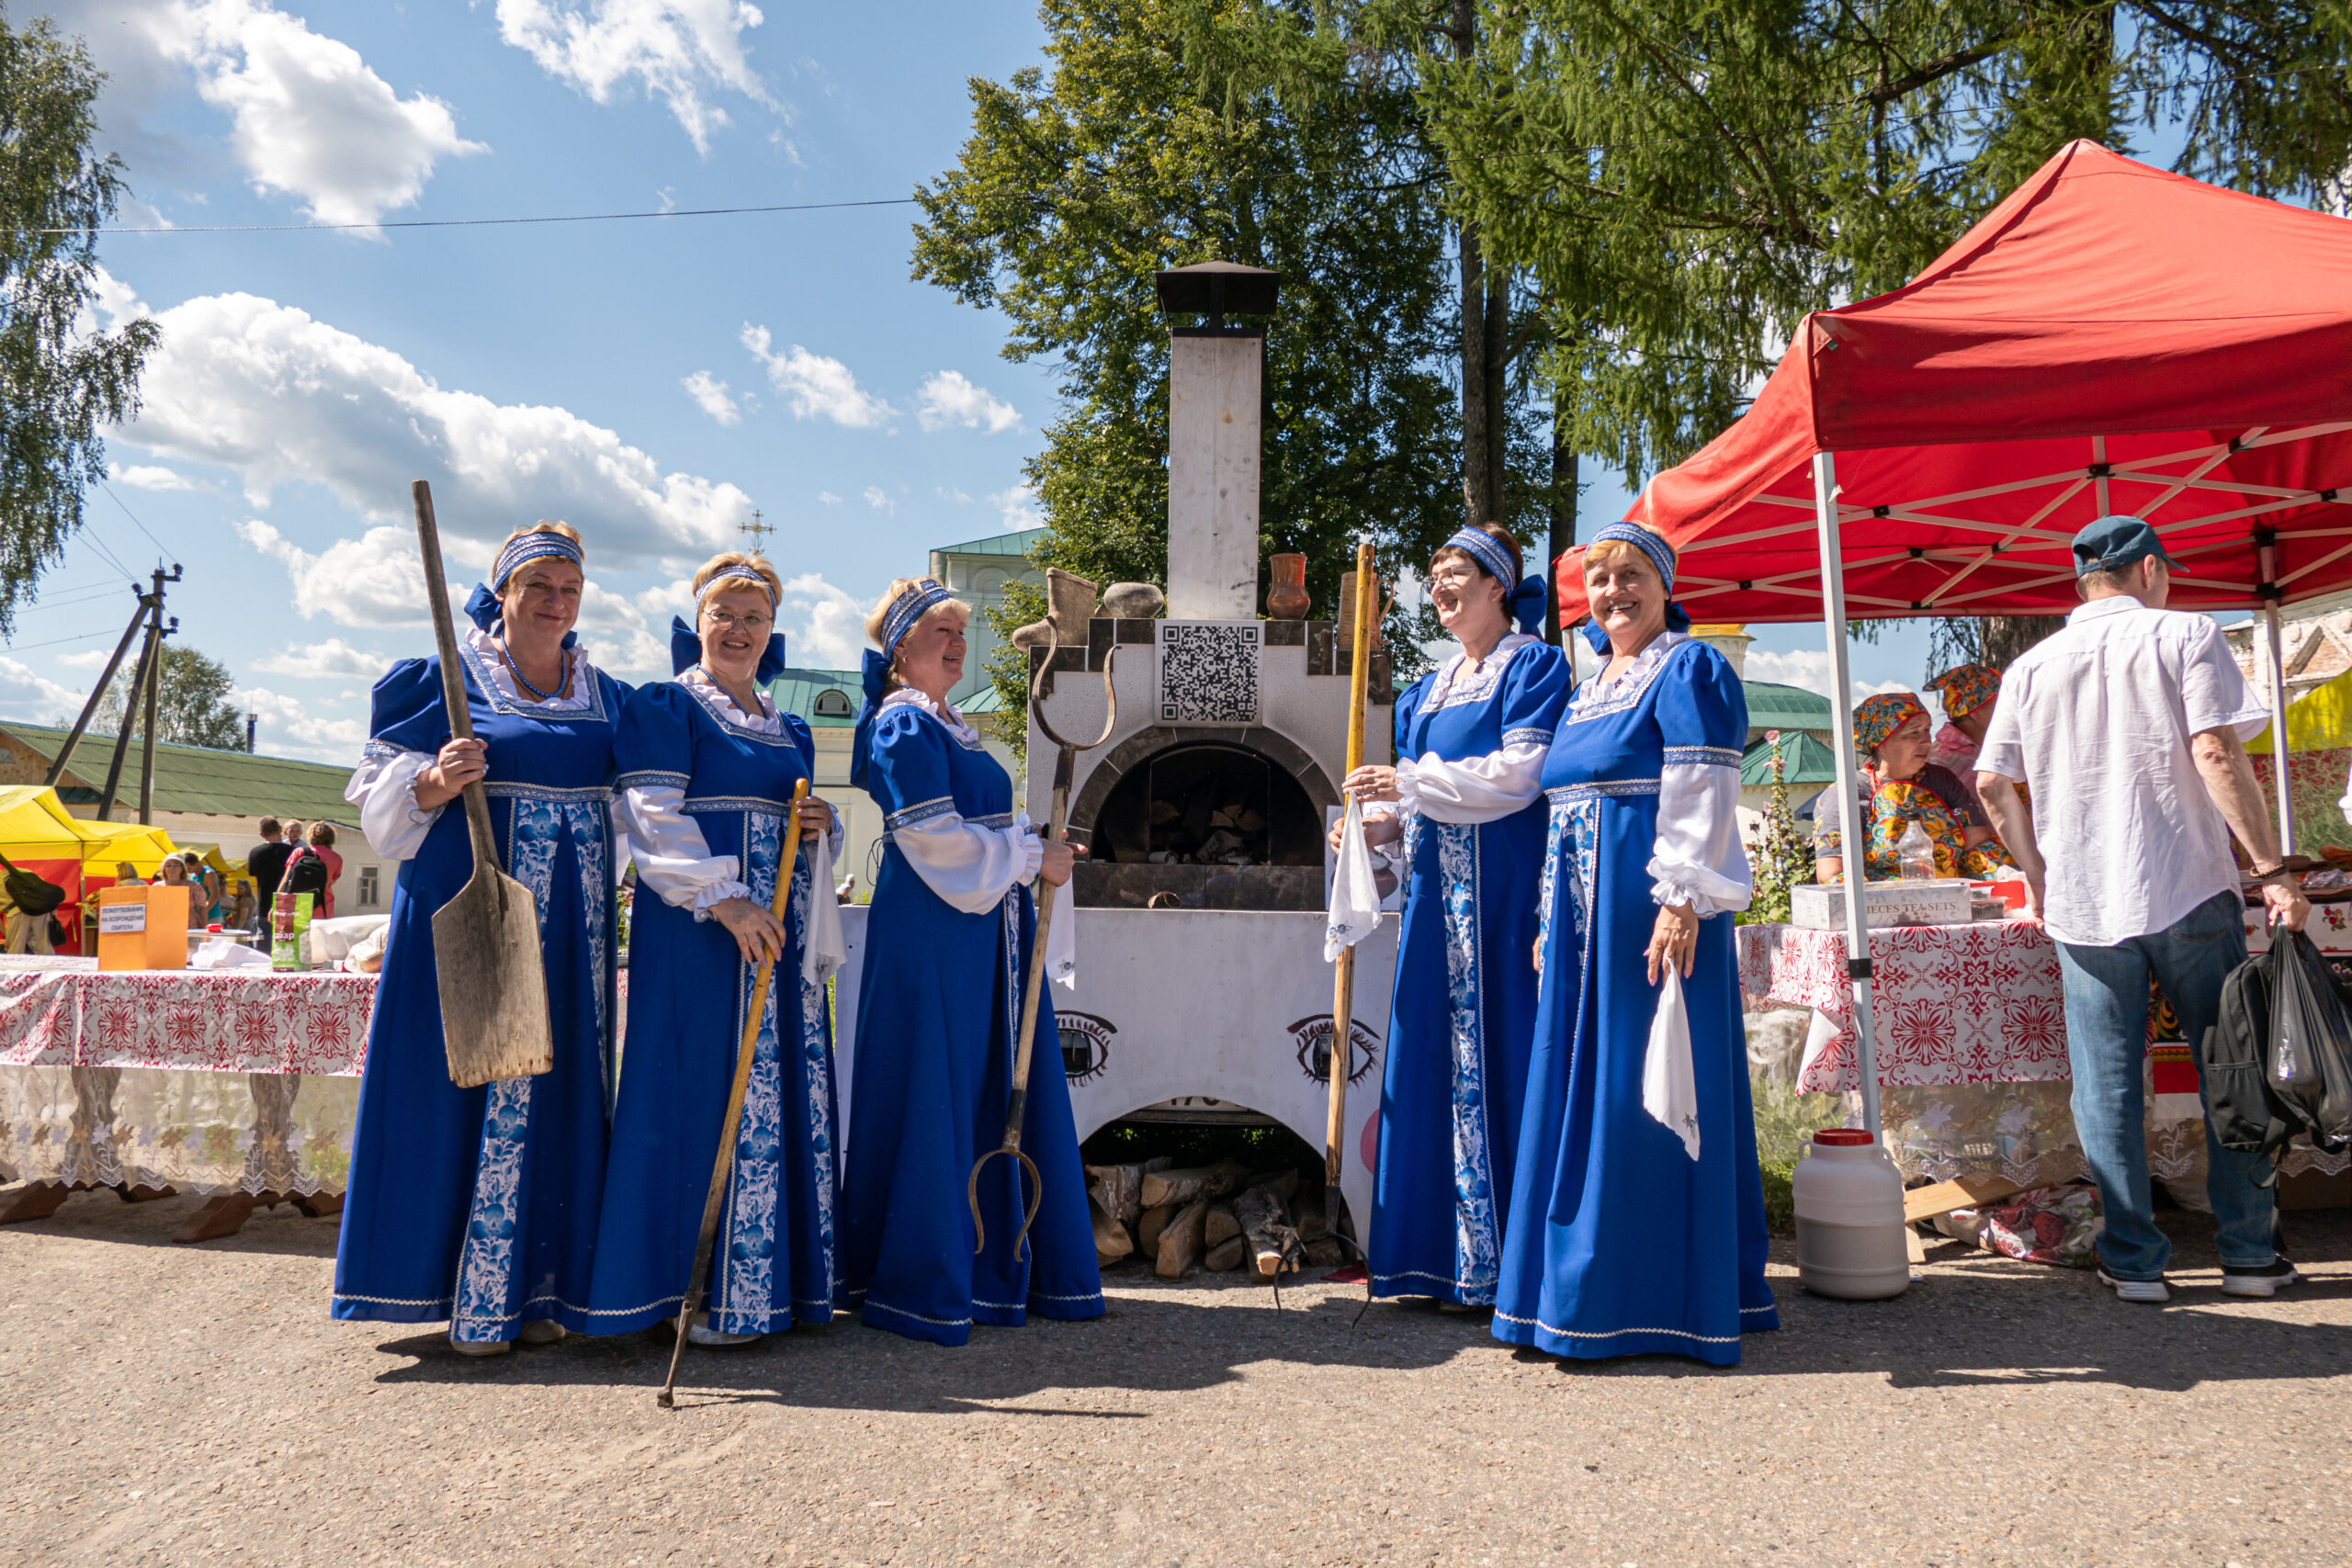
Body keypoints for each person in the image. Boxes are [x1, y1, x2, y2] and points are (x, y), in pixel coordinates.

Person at [1976, 514, 2307, 1304]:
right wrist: (2271, 867)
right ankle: (2247, 1253)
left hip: (2085, 901)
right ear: (2151, 570)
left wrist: (2038, 873)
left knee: (2107, 1085)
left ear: (2082, 582)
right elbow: (2216, 751)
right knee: (2229, 1064)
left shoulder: (2031, 665)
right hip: (2187, 880)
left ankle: (2133, 1259)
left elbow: (1993, 783)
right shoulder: (2186, 634)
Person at [334, 520, 624, 1357]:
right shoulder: (447, 680)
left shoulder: (602, 691)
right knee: (470, 1076)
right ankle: (466, 1294)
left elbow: (642, 797)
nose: (556, 603)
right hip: (474, 903)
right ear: (503, 594)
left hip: (574, 924)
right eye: (539, 587)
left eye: (569, 590)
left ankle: (542, 1287)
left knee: (559, 1084)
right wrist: (429, 780)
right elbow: (377, 805)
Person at [1493, 522, 1776, 1365]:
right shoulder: (1588, 686)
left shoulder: (1688, 667)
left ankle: (1646, 1296)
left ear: (1663, 585)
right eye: (1600, 579)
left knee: (1637, 1084)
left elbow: (1704, 786)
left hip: (1647, 909)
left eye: (1630, 577)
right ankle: (1572, 1292)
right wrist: (1549, 916)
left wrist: (1681, 899)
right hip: (1583, 919)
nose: (1613, 591)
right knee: (1581, 1085)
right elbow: (1562, 810)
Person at [835, 576, 1102, 1345]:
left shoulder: (952, 725)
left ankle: (995, 1270)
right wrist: (1024, 857)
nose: (956, 644)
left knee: (982, 1079)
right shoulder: (900, 726)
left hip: (986, 930)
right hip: (932, 929)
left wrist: (1034, 845)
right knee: (935, 1083)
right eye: (938, 634)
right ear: (898, 653)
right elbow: (934, 840)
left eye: (960, 632)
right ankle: (925, 1278)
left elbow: (985, 820)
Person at [589, 551, 844, 1348]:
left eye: (755, 618)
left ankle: (769, 1290)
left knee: (780, 1094)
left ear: (773, 632)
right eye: (724, 615)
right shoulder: (668, 705)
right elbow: (651, 814)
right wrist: (724, 900)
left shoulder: (787, 724)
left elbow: (794, 815)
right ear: (697, 621)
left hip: (779, 932)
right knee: (697, 1088)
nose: (739, 630)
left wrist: (818, 827)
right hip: (702, 933)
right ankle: (687, 1291)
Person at [1338, 522, 1570, 1308]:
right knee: (1436, 1059)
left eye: (1457, 573)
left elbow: (1518, 775)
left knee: (1501, 1053)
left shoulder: (1532, 667)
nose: (1440, 586)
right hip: (1438, 905)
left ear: (1499, 584)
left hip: (1505, 896)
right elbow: (1419, 816)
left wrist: (1406, 783)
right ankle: (1437, 1260)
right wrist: (1370, 827)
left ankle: (1510, 1267)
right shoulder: (1423, 693)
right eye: (1434, 575)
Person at [1815, 692, 2014, 882]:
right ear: (1881, 741)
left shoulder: (1942, 780)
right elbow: (1831, 872)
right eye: (1913, 733)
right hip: (1884, 907)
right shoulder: (1846, 794)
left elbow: (1976, 841)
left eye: (1927, 730)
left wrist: (2006, 876)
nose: (1927, 741)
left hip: (1952, 898)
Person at [247, 819, 293, 907]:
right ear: (280, 829)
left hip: (264, 904)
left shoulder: (255, 852)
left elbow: (253, 874)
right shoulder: (293, 851)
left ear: (262, 835)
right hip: (288, 904)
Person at [306, 822, 345, 918]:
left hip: (300, 905)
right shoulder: (336, 858)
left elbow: (286, 879)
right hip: (324, 906)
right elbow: (332, 880)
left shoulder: (300, 852)